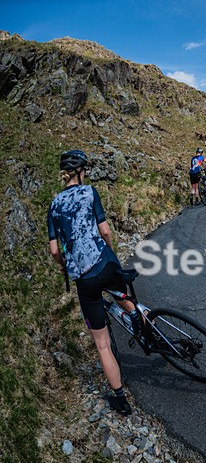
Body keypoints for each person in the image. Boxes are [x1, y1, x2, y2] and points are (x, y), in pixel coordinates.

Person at [47, 150, 138, 416]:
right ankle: (145, 326)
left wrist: (65, 265)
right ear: (80, 172)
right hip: (105, 263)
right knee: (127, 299)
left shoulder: (54, 206)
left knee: (102, 344)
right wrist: (111, 255)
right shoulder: (89, 193)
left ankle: (121, 400)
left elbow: (54, 250)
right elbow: (105, 230)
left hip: (84, 279)